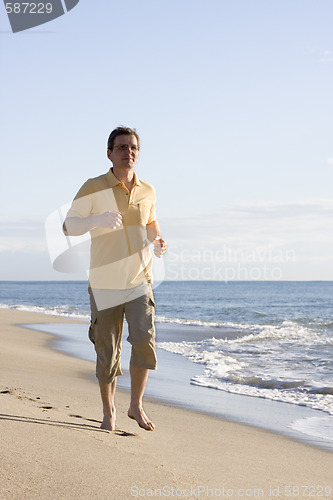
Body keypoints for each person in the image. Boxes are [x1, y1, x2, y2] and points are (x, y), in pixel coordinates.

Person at [63, 126, 167, 432]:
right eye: (122, 147)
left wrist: (158, 241)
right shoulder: (93, 187)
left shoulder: (148, 190)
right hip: (105, 283)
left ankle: (135, 405)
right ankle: (109, 412)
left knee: (145, 341)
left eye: (133, 147)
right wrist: (97, 220)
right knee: (107, 352)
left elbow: (150, 223)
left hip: (140, 280)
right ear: (109, 153)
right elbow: (69, 226)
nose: (129, 152)